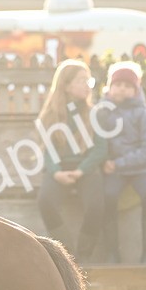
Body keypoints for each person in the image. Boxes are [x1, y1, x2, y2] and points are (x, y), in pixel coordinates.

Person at [35, 59, 108, 260]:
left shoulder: (94, 114)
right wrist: (56, 172)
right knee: (45, 201)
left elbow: (101, 150)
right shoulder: (50, 116)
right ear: (66, 86)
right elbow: (47, 150)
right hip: (58, 169)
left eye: (89, 80)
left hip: (86, 168)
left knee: (96, 204)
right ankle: (68, 256)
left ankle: (84, 256)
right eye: (81, 80)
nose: (88, 85)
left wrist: (81, 170)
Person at [99, 63, 146, 263]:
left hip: (141, 169)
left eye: (128, 86)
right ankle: (111, 251)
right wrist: (105, 162)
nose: (122, 89)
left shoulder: (143, 115)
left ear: (136, 90)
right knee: (108, 197)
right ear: (109, 87)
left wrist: (120, 163)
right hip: (113, 169)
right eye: (117, 85)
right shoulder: (101, 113)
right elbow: (96, 143)